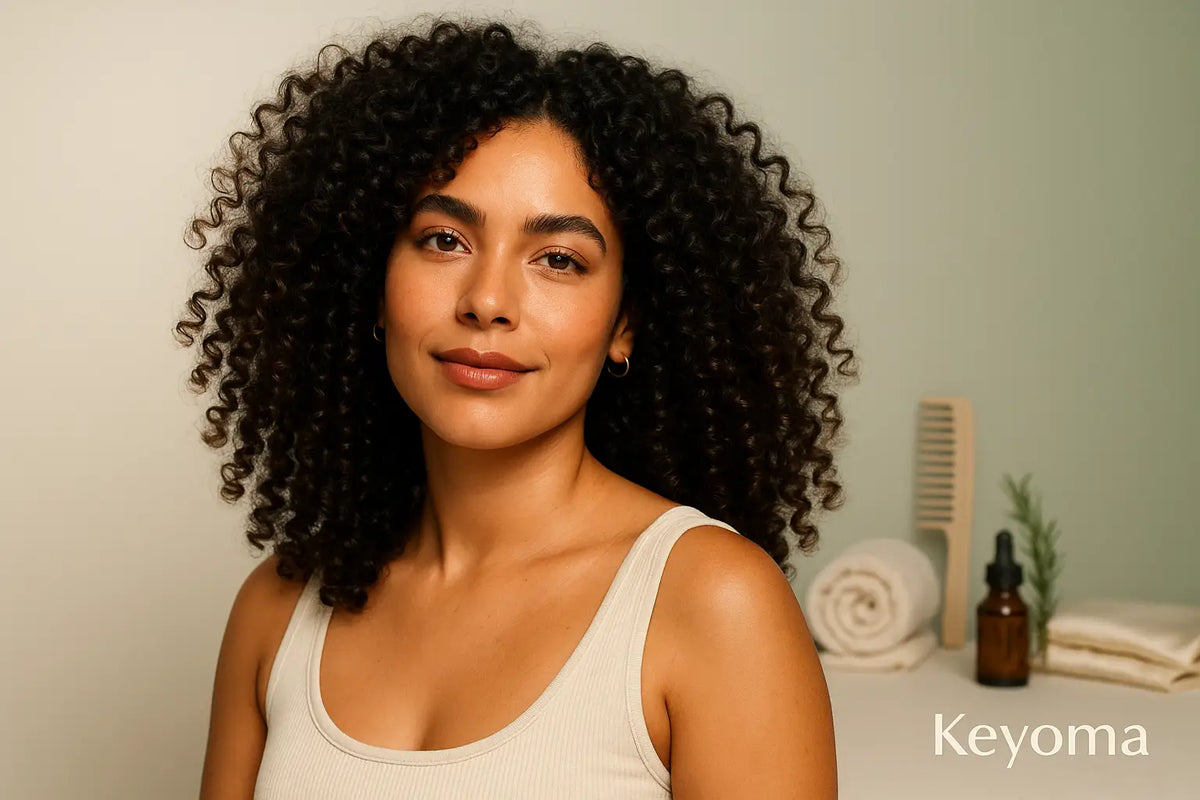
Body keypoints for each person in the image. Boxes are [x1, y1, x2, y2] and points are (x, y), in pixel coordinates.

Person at [181, 14, 855, 799]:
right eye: (443, 240)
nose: (488, 301)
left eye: (560, 260)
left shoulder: (713, 603)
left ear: (625, 323)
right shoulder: (278, 607)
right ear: (370, 279)